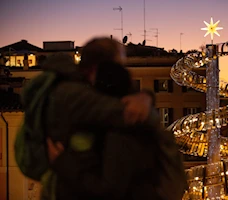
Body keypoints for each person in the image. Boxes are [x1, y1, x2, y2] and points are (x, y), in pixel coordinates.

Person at [46, 37, 187, 200]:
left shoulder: (122, 119)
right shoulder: (124, 113)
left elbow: (109, 190)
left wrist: (64, 164)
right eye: (120, 64)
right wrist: (147, 100)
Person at [16, 38, 156, 199]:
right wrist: (146, 98)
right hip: (66, 189)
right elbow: (134, 114)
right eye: (118, 66)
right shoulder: (74, 93)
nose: (120, 72)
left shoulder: (72, 88)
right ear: (104, 67)